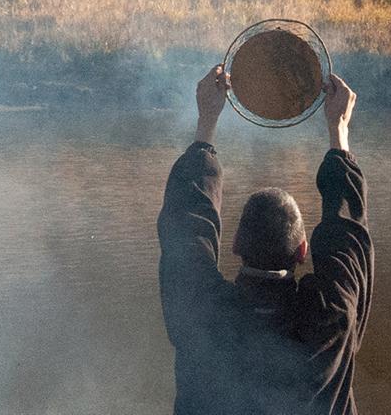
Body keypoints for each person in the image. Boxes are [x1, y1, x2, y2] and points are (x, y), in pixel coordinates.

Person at [157, 63, 371, 415]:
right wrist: (338, 131)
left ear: (236, 244)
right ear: (302, 251)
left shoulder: (203, 312)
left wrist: (206, 124)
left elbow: (187, 225)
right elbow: (346, 236)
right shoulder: (330, 317)